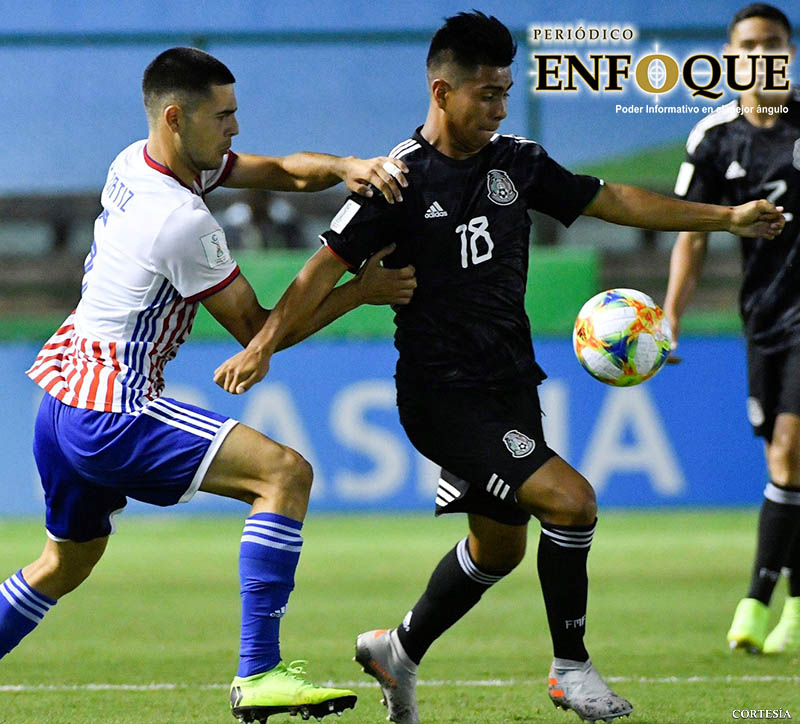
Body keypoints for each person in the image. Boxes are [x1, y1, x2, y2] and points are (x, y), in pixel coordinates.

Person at [212, 12, 785, 723]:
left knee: (500, 547)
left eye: (506, 92)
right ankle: (571, 669)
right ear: (441, 90)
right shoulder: (398, 183)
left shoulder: (517, 161)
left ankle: (399, 648)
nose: (499, 107)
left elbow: (610, 200)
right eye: (485, 94)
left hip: (513, 386)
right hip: (444, 399)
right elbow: (318, 272)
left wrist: (722, 220)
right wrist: (262, 344)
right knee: (572, 501)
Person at [0, 46, 418, 723]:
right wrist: (359, 291)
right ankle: (260, 674)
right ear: (176, 117)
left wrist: (346, 168)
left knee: (60, 566)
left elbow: (278, 171)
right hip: (114, 410)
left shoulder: (132, 161)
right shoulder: (182, 221)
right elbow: (258, 331)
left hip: (61, 399)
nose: (236, 129)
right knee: (284, 475)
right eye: (223, 117)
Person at [664, 3, 799, 655]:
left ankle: (755, 600)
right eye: (749, 46)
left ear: (790, 53)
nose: (762, 56)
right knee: (785, 459)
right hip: (764, 319)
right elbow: (691, 235)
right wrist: (671, 317)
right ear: (730, 58)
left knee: (789, 451)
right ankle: (797, 605)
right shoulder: (714, 138)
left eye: (773, 44)